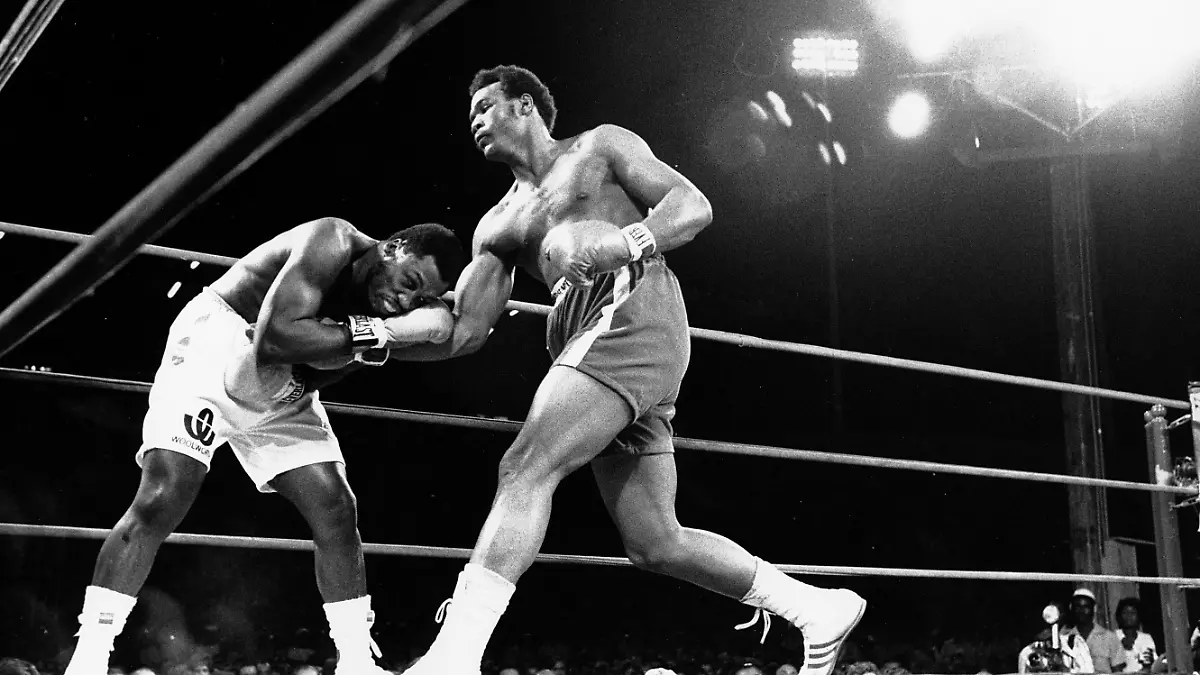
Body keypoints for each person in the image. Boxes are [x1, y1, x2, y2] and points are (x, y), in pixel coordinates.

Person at [398, 64, 866, 675]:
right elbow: (464, 331)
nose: (475, 121)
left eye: (485, 106)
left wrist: (628, 242)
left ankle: (453, 658)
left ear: (525, 105)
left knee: (525, 467)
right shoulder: (497, 226)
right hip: (585, 340)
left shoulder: (599, 146)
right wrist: (364, 339)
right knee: (655, 541)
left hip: (630, 312)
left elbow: (692, 206)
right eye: (470, 115)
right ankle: (816, 609)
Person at [62, 217, 467, 675]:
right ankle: (89, 657)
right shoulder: (331, 241)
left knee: (336, 507)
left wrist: (421, 322)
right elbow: (275, 341)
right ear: (393, 247)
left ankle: (356, 662)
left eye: (420, 299)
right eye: (409, 282)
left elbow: (461, 338)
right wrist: (378, 333)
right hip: (216, 348)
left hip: (287, 387)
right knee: (164, 495)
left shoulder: (388, 304)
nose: (405, 301)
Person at [1065, 589, 1127, 673]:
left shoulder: (1110, 638)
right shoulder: (1066, 639)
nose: (1081, 610)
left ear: (1094, 608)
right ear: (1071, 608)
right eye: (1077, 606)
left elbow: (1118, 671)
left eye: (1086, 606)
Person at [1114, 598, 1158, 672]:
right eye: (1125, 612)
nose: (1129, 616)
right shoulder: (1113, 637)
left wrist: (1151, 663)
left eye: (1133, 613)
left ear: (1139, 616)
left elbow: (1154, 667)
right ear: (1119, 616)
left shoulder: (1146, 638)